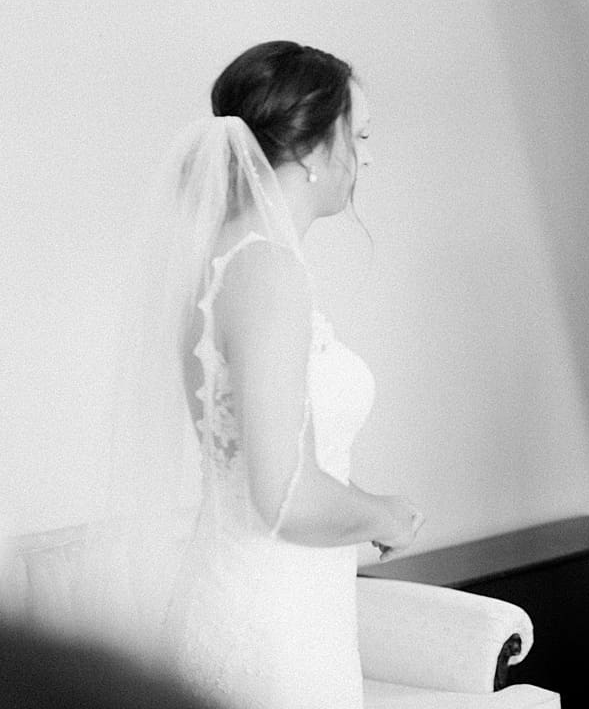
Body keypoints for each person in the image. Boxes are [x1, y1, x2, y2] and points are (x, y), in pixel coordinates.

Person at [98, 41, 424, 709]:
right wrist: (388, 512)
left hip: (246, 591)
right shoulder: (268, 269)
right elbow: (284, 499)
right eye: (357, 134)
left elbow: (271, 451)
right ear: (309, 150)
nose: (369, 155)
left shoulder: (218, 263)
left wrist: (358, 507)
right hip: (273, 622)